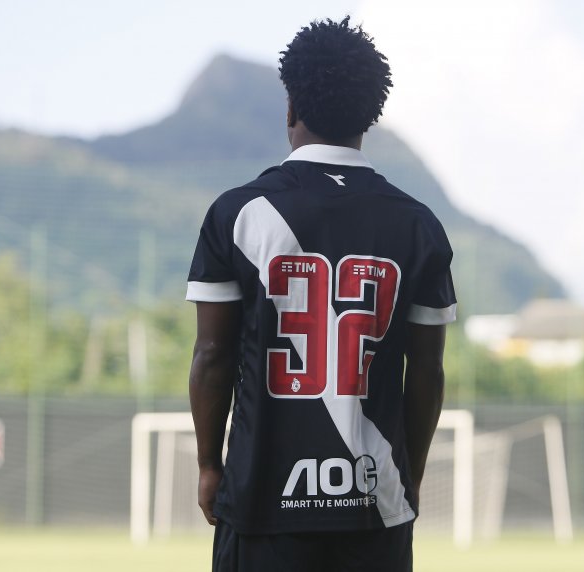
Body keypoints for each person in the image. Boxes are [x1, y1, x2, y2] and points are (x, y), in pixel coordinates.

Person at [187, 16, 456, 572]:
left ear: (291, 109)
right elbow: (427, 372)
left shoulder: (238, 214)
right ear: (371, 115)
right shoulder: (418, 225)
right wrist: (408, 474)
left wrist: (210, 465)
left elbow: (212, 355)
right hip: (373, 502)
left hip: (261, 502)